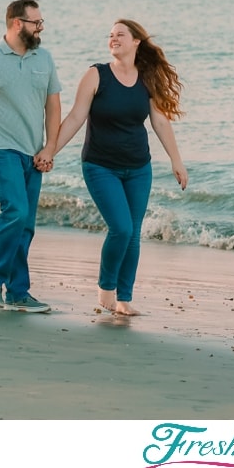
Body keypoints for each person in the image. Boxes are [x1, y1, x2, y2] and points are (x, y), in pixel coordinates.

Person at [52, 19, 188, 316]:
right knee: (121, 228)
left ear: (136, 41)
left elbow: (160, 121)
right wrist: (50, 151)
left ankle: (124, 298)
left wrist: (177, 161)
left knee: (133, 233)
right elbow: (76, 118)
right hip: (100, 166)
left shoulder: (147, 77)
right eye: (110, 35)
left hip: (139, 167)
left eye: (120, 35)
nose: (113, 39)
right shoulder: (96, 75)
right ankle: (106, 288)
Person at [0, 0, 61, 312]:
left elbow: (53, 107)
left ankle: (18, 292)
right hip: (0, 149)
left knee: (26, 224)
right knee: (16, 210)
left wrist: (50, 147)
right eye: (36, 22)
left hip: (33, 153)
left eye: (41, 22)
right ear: (17, 23)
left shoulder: (44, 59)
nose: (41, 27)